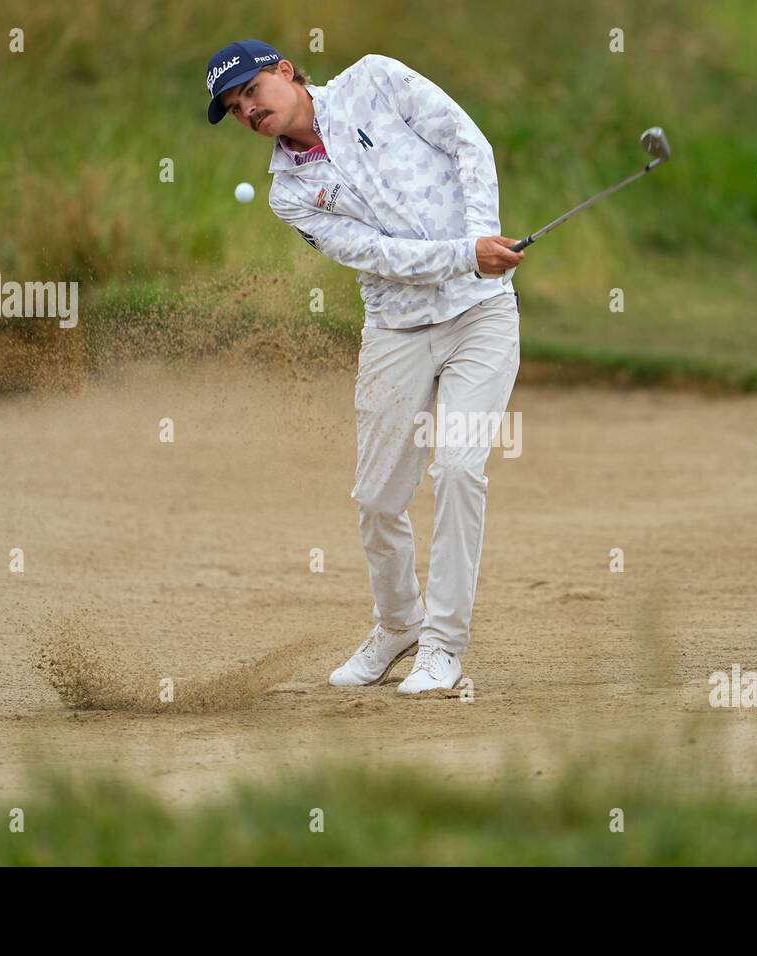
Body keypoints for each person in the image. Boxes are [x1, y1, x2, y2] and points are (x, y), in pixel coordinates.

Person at [206, 40, 525, 695]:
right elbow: (376, 254)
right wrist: (466, 254)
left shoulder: (375, 81)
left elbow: (468, 143)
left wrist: (483, 242)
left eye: (252, 92)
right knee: (377, 500)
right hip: (396, 328)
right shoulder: (288, 194)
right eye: (236, 109)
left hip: (481, 316)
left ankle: (441, 646)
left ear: (286, 72)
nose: (249, 111)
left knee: (459, 469)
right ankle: (398, 623)